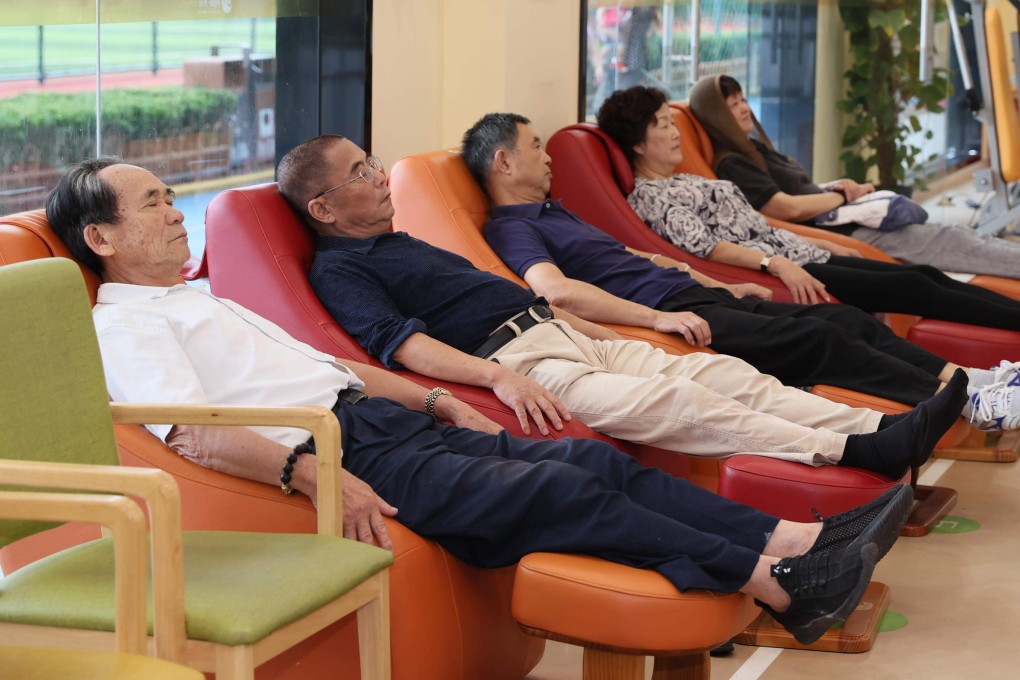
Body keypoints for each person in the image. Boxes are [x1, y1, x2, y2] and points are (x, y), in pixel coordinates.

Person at [47, 156, 919, 646]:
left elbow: (331, 366)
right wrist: (312, 474)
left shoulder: (198, 301)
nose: (175, 213)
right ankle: (780, 585)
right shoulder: (123, 325)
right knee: (558, 488)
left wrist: (437, 401)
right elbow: (192, 437)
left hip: (382, 422)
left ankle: (795, 539)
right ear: (101, 237)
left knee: (584, 460)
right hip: (339, 451)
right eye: (153, 204)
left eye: (172, 198)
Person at [277, 133, 968, 476]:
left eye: (373, 163)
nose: (378, 176)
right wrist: (498, 379)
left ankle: (882, 426)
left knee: (726, 375)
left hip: (566, 334)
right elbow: (402, 346)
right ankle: (851, 449)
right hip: (523, 365)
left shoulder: (403, 243)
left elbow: (526, 297)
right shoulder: (341, 269)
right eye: (361, 172)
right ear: (323, 208)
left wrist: (595, 329)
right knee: (685, 403)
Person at [459, 112, 1019, 431]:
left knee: (847, 319)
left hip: (694, 293)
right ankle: (966, 405)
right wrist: (654, 319)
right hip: (671, 312)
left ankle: (967, 381)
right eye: (536, 147)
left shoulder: (554, 211)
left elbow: (645, 258)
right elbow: (556, 292)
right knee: (817, 339)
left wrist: (721, 282)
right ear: (503, 162)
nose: (547, 156)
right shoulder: (511, 227)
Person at [596, 85, 1020, 335]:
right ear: (637, 143)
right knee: (917, 285)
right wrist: (778, 264)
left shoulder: (683, 179)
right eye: (663, 125)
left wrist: (823, 243)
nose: (674, 133)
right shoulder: (651, 197)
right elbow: (708, 249)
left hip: (802, 252)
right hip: (789, 268)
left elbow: (761, 225)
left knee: (922, 275)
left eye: (673, 122)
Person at [687, 74, 1020, 280]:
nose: (744, 108)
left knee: (957, 235)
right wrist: (841, 196)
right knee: (952, 242)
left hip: (847, 219)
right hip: (844, 231)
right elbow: (786, 208)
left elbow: (798, 192)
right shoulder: (733, 164)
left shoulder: (755, 149)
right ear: (717, 116)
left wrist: (833, 187)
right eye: (733, 105)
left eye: (743, 99)